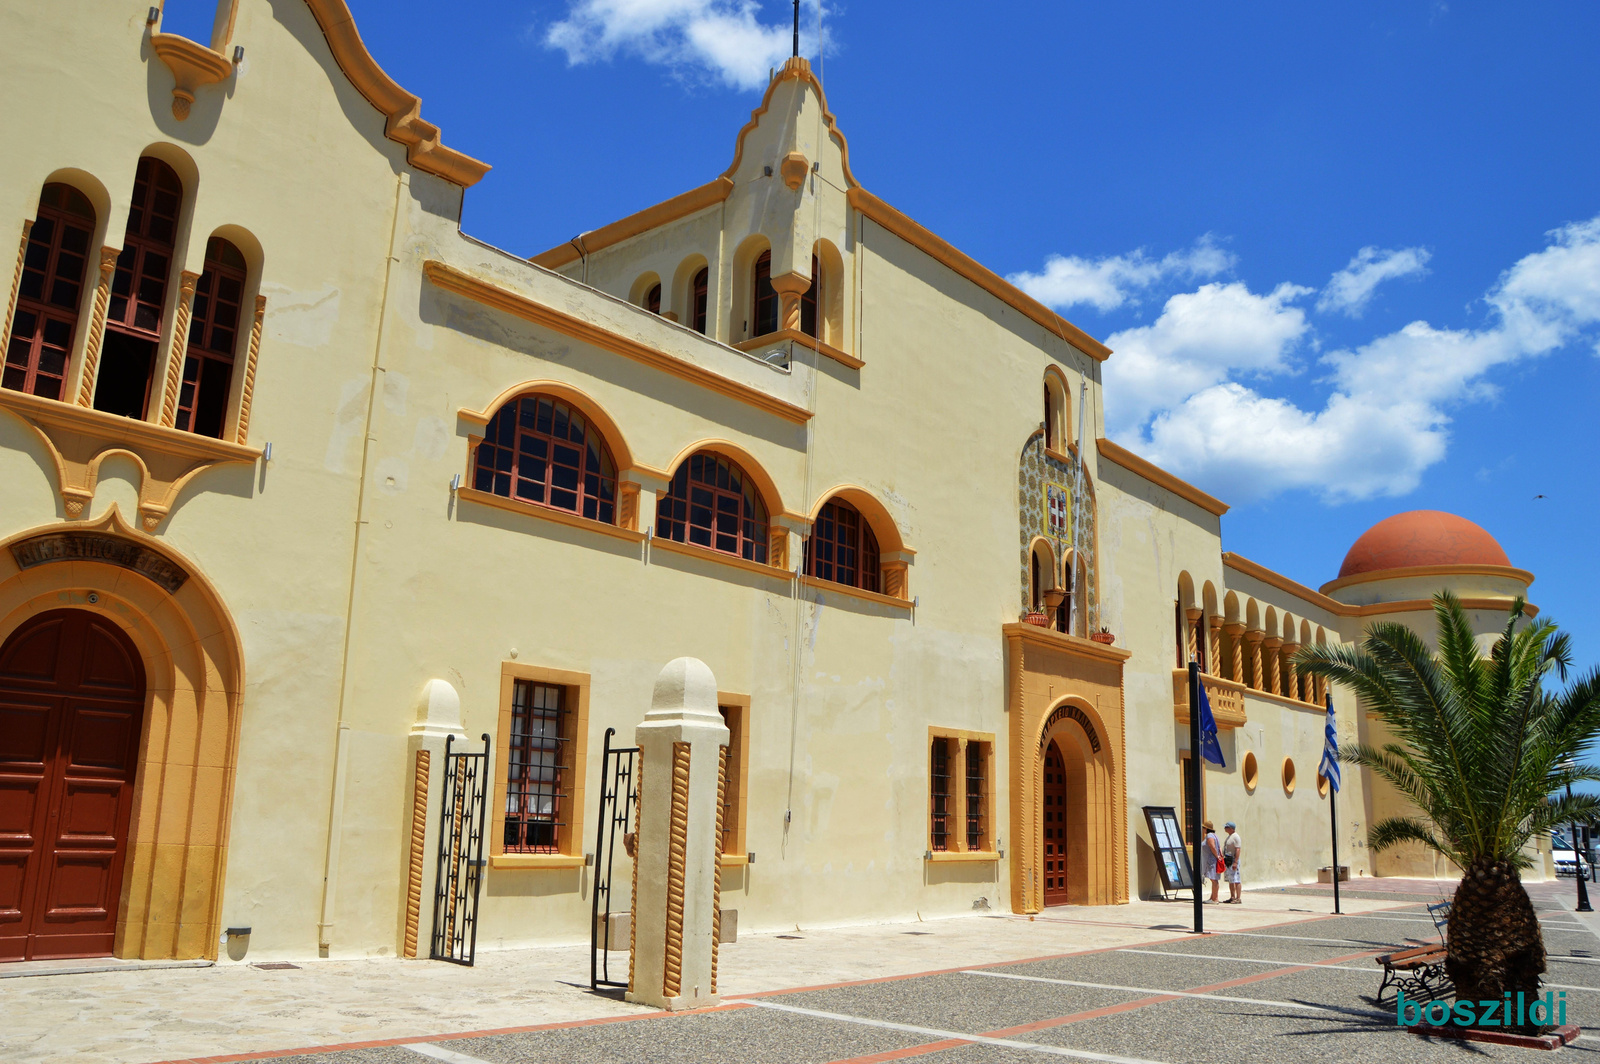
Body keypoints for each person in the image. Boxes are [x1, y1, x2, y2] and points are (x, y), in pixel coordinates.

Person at [1201, 820, 1222, 902]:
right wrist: (1220, 855)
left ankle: (1215, 898)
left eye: (1204, 828)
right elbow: (1219, 847)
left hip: (1211, 861)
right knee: (1214, 879)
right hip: (1213, 860)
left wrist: (1217, 856)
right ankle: (1212, 897)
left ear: (1206, 829)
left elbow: (1212, 846)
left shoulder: (1209, 836)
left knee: (1213, 879)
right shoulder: (1215, 836)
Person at [1222, 821, 1243, 903]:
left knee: (1236, 879)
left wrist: (1235, 862)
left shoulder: (1236, 837)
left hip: (1233, 859)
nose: (1225, 829)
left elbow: (1238, 849)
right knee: (1231, 880)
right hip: (1228, 860)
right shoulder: (1229, 836)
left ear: (1231, 828)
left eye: (1226, 827)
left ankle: (1238, 898)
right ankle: (1232, 896)